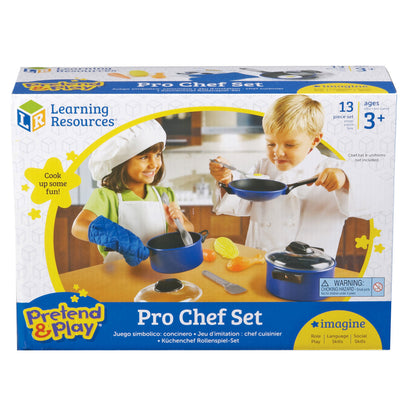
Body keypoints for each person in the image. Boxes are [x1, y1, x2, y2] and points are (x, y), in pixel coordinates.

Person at [209, 94, 381, 258]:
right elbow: (241, 203)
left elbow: (374, 203)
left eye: (290, 145)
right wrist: (227, 180)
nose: (277, 153)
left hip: (310, 268)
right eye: (271, 144)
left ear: (315, 140)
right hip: (259, 261)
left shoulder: (334, 169)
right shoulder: (264, 166)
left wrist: (345, 181)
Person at [72, 119, 194, 266]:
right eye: (144, 157)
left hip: (159, 268)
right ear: (121, 162)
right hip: (119, 272)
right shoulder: (107, 196)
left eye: (157, 155)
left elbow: (190, 229)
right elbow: (78, 227)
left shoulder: (164, 195)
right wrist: (113, 235)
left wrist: (179, 225)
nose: (154, 164)